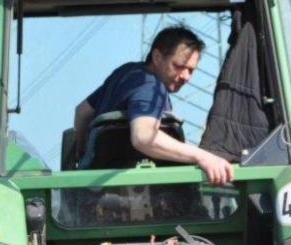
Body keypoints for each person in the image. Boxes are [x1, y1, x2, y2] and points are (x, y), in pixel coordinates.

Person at [73, 26, 234, 184]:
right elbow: (143, 138)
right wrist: (203, 156)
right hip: (142, 193)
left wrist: (83, 155)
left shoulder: (127, 72)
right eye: (178, 66)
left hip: (96, 187)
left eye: (191, 70)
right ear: (157, 57)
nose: (186, 77)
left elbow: (82, 112)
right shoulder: (151, 88)